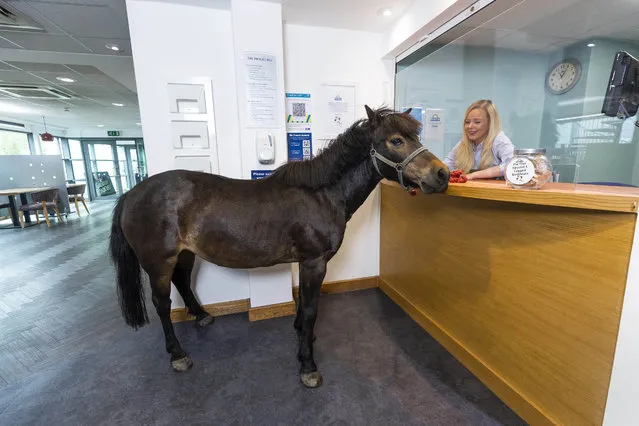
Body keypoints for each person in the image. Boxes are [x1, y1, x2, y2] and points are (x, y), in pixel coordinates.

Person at [443, 99, 515, 180]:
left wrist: (474, 175)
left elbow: (513, 166)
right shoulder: (462, 143)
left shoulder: (500, 141)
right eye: (467, 122)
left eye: (477, 122)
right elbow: (446, 166)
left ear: (490, 124)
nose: (470, 126)